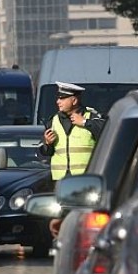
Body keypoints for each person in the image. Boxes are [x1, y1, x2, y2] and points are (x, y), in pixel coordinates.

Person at [41, 81, 105, 237]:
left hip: (85, 180)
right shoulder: (52, 121)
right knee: (61, 217)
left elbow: (105, 134)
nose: (58, 102)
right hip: (61, 181)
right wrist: (47, 144)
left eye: (62, 98)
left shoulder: (91, 116)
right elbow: (46, 152)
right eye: (58, 98)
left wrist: (85, 123)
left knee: (85, 218)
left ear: (74, 100)